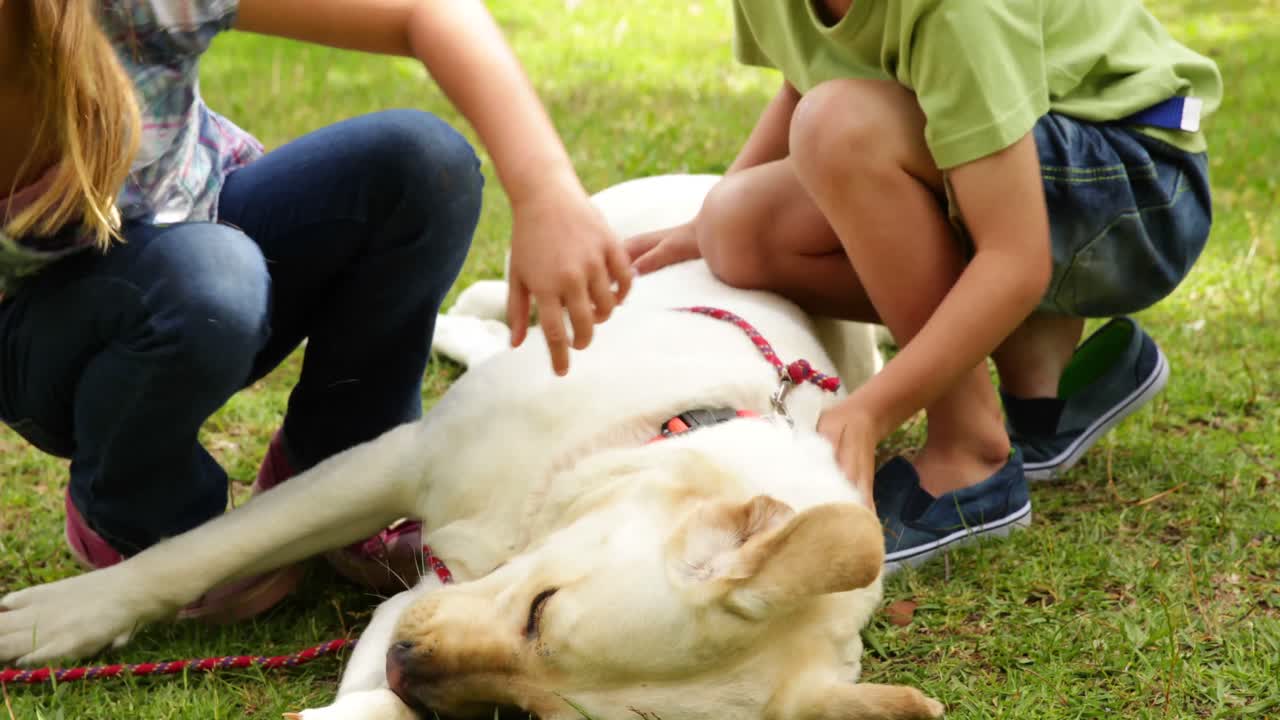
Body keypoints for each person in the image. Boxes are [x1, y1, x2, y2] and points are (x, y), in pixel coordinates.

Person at [0, 0, 631, 620]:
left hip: (206, 239)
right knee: (211, 280)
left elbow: (427, 12)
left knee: (420, 164)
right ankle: (136, 514)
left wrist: (546, 191)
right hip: (50, 340)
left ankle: (334, 474)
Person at [625, 0, 1221, 571]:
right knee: (739, 233)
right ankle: (1042, 393)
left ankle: (972, 455)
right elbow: (807, 76)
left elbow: (1016, 259)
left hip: (1140, 186)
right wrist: (703, 223)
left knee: (840, 127)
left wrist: (872, 410)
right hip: (1030, 166)